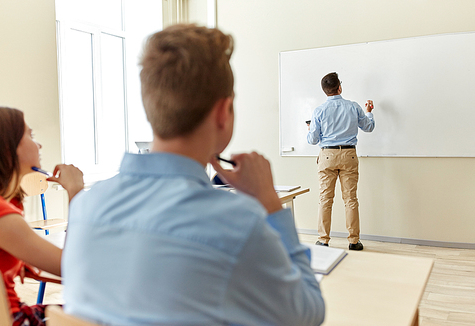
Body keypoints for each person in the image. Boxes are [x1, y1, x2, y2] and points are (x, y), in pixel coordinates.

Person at [62, 24, 325, 326]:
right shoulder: (237, 224)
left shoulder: (84, 207)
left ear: (150, 107)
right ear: (224, 112)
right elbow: (308, 314)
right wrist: (269, 203)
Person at [0, 106, 84, 325]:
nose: (39, 144)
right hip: (8, 319)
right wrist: (75, 192)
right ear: (8, 149)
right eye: (31, 136)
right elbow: (74, 266)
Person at [307, 72, 375, 250]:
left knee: (325, 199)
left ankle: (323, 240)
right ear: (339, 87)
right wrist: (369, 113)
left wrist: (309, 129)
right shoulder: (353, 107)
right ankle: (354, 241)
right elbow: (369, 127)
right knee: (350, 199)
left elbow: (313, 140)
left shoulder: (319, 111)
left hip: (327, 156)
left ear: (325, 91)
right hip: (349, 155)